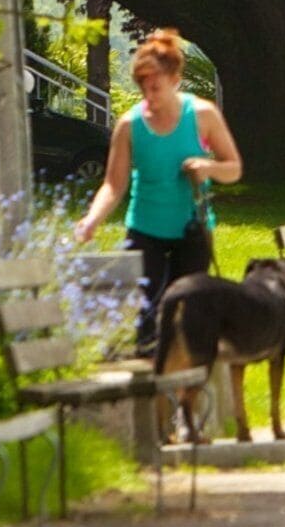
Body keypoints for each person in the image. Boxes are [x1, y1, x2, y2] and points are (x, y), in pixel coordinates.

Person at [78, 28, 243, 354]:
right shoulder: (130, 124)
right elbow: (114, 183)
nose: (148, 96)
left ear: (175, 79)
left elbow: (234, 168)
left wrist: (208, 168)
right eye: (143, 88)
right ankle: (150, 385)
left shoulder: (202, 115)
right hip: (145, 229)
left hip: (191, 231)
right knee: (148, 318)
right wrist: (91, 220)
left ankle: (189, 395)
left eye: (155, 87)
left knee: (187, 317)